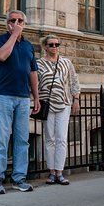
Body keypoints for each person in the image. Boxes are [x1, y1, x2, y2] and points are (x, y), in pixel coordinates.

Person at [0, 10, 40, 194]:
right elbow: (2, 56)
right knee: (2, 139)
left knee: (22, 140)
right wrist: (14, 35)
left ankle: (19, 178)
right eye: (12, 20)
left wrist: (36, 97)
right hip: (3, 95)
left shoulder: (28, 46)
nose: (16, 23)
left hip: (23, 97)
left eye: (20, 21)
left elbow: (33, 72)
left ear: (24, 23)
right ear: (7, 23)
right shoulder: (0, 39)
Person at [37, 35, 81, 185]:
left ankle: (60, 172)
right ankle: (51, 172)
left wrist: (76, 99)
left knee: (61, 138)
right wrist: (36, 100)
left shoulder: (66, 62)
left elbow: (74, 81)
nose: (54, 47)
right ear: (45, 47)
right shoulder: (39, 64)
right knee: (50, 138)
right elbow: (35, 83)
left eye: (57, 44)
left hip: (64, 103)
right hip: (47, 104)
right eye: (51, 45)